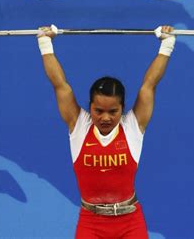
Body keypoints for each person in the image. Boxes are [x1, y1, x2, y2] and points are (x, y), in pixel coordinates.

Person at [37, 24, 175, 238]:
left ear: (122, 109)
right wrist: (45, 42)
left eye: (113, 111)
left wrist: (167, 44)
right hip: (91, 223)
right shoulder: (79, 124)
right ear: (89, 106)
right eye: (98, 110)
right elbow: (60, 84)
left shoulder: (132, 126)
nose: (105, 117)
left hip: (130, 222)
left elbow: (149, 85)